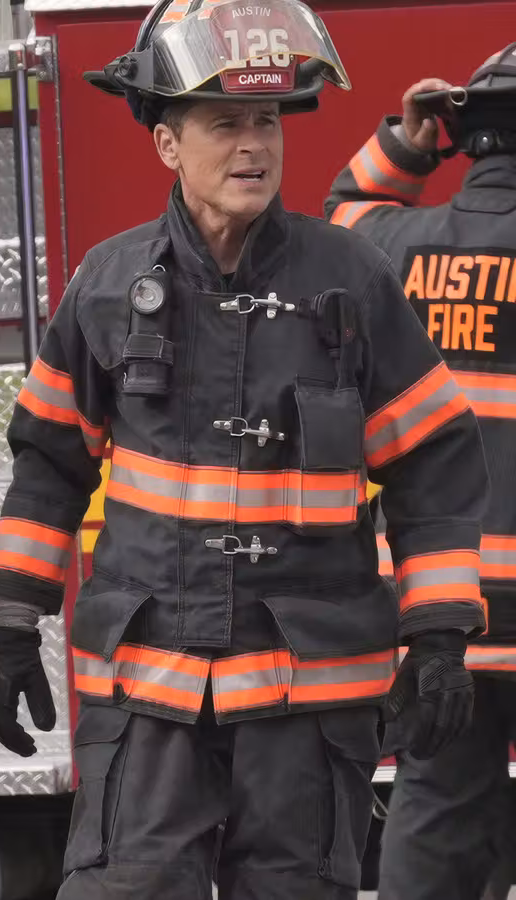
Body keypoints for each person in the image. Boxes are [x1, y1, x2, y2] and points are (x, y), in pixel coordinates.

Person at [0, 2, 490, 897]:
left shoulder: (352, 280)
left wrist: (439, 636)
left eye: (266, 122)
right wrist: (15, 622)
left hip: (307, 700)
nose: (253, 146)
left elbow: (432, 464)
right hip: (150, 693)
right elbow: (50, 464)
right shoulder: (107, 284)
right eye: (225, 125)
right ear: (168, 145)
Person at [323, 43, 516, 900]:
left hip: (439, 601)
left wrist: (406, 144)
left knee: (437, 800)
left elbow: (341, 215)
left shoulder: (389, 247)